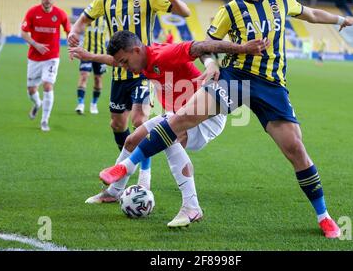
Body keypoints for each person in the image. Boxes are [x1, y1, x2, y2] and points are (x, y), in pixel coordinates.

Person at [99, 0, 353, 237]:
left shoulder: (282, 0)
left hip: (272, 85)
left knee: (296, 150)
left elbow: (310, 14)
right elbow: (207, 46)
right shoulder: (229, 10)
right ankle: (125, 167)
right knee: (180, 119)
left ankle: (323, 216)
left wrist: (340, 19)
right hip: (234, 78)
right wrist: (212, 66)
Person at [69, 30, 269, 227]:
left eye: (125, 62)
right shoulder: (141, 60)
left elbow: (200, 46)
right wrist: (89, 56)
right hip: (177, 114)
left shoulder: (164, 54)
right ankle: (114, 192)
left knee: (169, 140)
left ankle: (192, 207)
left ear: (137, 51)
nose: (124, 67)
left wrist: (232, 53)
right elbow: (115, 60)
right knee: (132, 140)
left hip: (205, 116)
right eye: (121, 63)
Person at [68, 0, 191, 190]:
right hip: (119, 72)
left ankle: (144, 177)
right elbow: (82, 20)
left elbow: (185, 14)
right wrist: (75, 31)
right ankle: (127, 164)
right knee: (117, 124)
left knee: (139, 120)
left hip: (144, 70)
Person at [21, 0, 71, 131]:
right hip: (34, 57)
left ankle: (44, 121)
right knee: (31, 89)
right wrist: (36, 45)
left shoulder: (60, 14)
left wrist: (72, 46)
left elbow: (69, 31)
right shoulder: (32, 12)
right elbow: (23, 33)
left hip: (52, 57)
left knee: (48, 85)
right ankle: (37, 104)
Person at [75, 14, 108, 115]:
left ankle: (94, 104)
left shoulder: (107, 19)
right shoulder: (86, 18)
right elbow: (76, 28)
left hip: (100, 54)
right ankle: (80, 104)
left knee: (98, 79)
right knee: (84, 75)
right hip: (86, 53)